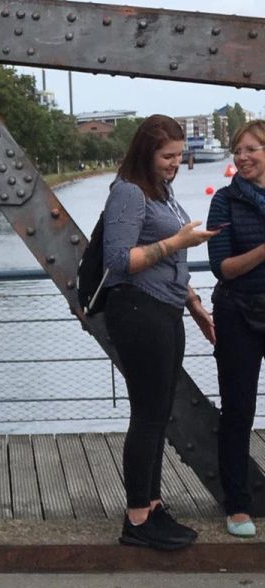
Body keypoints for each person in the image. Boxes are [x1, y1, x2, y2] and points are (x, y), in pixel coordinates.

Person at [100, 114, 218, 550]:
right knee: (147, 416)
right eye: (168, 156)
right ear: (146, 153)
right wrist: (176, 243)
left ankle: (152, 503)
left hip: (166, 310)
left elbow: (169, 263)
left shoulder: (160, 193)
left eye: (179, 154)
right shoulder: (128, 193)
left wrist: (195, 305)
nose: (175, 162)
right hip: (137, 312)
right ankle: (136, 518)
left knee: (159, 412)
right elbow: (119, 261)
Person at [206, 120, 265, 539]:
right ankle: (238, 506)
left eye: (251, 149)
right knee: (238, 411)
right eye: (237, 151)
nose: (241, 157)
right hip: (237, 314)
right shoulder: (224, 202)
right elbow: (222, 268)